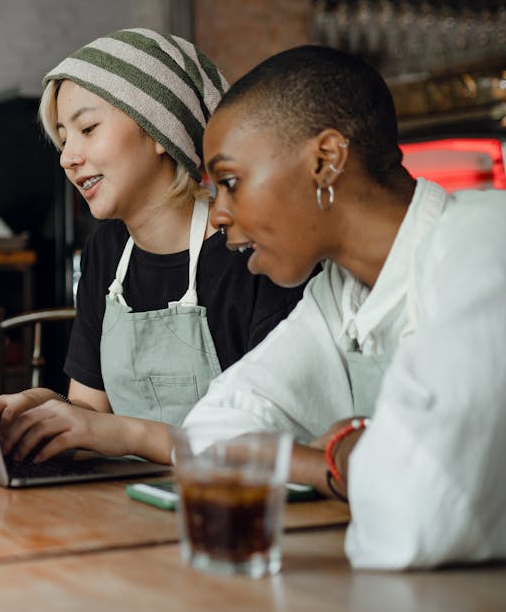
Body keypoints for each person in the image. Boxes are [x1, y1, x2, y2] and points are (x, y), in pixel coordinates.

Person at [188, 44, 506, 569]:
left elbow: (416, 518)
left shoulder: (483, 247)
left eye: (229, 182)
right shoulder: (340, 292)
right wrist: (347, 458)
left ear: (326, 160)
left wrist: (333, 449)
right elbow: (211, 435)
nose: (218, 213)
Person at [0, 28, 309, 464]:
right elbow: (94, 412)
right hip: (122, 502)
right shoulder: (107, 249)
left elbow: (272, 445)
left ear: (162, 130)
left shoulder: (253, 252)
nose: (68, 157)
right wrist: (49, 410)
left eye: (87, 128)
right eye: (65, 139)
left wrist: (125, 434)